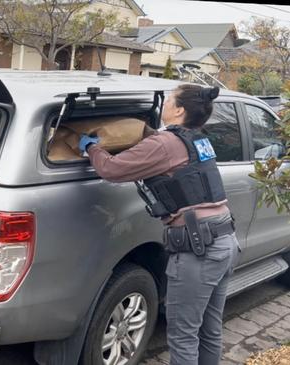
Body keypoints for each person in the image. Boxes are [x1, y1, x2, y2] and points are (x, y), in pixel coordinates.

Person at [79, 84, 240, 365]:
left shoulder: (165, 144)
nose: (164, 104)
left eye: (169, 100)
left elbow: (112, 170)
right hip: (225, 240)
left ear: (179, 110)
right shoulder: (197, 140)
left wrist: (91, 147)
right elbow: (172, 158)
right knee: (209, 329)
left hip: (198, 250)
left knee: (183, 335)